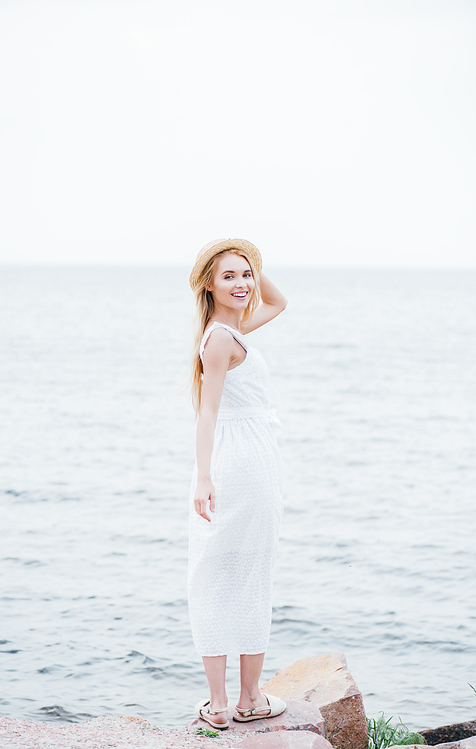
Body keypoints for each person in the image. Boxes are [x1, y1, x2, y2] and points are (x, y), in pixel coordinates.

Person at [188, 238, 287, 729]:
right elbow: (207, 413)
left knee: (218, 570)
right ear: (210, 284)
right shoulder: (222, 338)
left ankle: (226, 705)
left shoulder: (232, 329)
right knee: (243, 570)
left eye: (245, 274)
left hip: (244, 460)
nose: (243, 283)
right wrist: (204, 477)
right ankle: (242, 700)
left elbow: (279, 301)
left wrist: (249, 257)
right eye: (228, 276)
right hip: (240, 462)